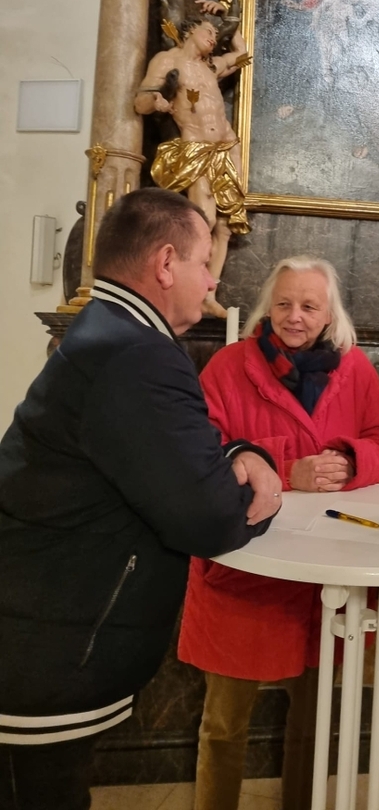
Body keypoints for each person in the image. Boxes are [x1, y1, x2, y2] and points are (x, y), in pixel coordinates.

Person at [0, 189, 282, 810]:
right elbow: (207, 517)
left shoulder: (109, 333)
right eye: (205, 262)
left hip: (40, 630)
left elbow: (167, 459)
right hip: (44, 648)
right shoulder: (136, 353)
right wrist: (260, 490)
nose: (213, 280)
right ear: (165, 263)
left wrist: (236, 452)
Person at [177, 256, 379, 810]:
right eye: (284, 304)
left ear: (329, 314)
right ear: (267, 308)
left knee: (315, 722)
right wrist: (285, 467)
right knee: (224, 725)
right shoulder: (228, 366)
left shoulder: (355, 368)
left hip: (325, 577)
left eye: (308, 306)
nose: (294, 316)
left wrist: (352, 461)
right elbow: (201, 452)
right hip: (245, 573)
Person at [135, 0, 250, 318]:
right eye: (208, 31)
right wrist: (156, 101)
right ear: (188, 32)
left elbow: (242, 54)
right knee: (204, 221)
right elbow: (140, 102)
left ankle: (208, 295)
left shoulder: (211, 66)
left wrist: (227, 16)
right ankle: (179, 289)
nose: (213, 38)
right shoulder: (168, 60)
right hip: (196, 146)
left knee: (225, 225)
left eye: (215, 34)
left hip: (226, 146)